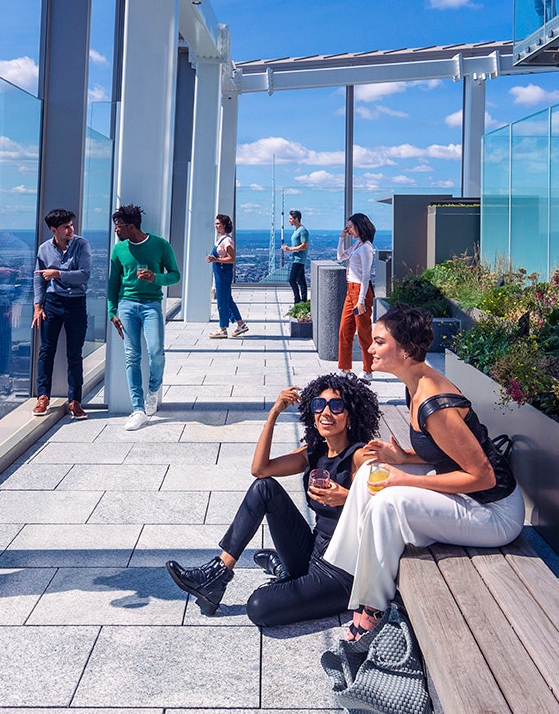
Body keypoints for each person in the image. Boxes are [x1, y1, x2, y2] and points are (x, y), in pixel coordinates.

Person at [322, 305, 525, 640]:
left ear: (404, 350)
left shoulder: (434, 403)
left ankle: (372, 609)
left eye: (378, 342)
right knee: (375, 468)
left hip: (494, 513)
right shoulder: (414, 385)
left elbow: (483, 476)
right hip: (467, 497)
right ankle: (346, 572)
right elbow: (447, 452)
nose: (369, 348)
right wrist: (403, 458)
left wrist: (407, 478)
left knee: (391, 501)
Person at [166, 373, 378, 624]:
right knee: (264, 487)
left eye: (337, 406)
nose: (326, 413)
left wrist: (347, 497)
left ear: (350, 414)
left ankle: (285, 572)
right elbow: (260, 469)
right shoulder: (315, 452)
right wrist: (274, 414)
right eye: (319, 405)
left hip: (341, 572)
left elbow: (388, 501)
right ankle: (219, 573)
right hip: (314, 551)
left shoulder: (360, 456)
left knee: (258, 607)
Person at [106, 204, 181, 431]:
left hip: (151, 305)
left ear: (131, 226)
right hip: (127, 305)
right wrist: (112, 311)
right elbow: (113, 283)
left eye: (118, 226)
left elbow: (175, 275)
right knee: (132, 355)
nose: (116, 230)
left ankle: (153, 391)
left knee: (156, 351)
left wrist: (155, 278)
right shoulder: (119, 249)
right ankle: (138, 409)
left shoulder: (160, 245)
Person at [33, 208, 91, 419]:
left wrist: (58, 273)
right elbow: (39, 278)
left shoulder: (82, 245)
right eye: (66, 227)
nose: (71, 230)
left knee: (74, 354)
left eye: (71, 225)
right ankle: (43, 397)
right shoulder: (44, 249)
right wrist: (38, 306)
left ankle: (75, 401)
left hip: (76, 303)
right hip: (53, 304)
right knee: (46, 350)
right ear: (53, 230)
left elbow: (84, 275)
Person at [336, 212, 377, 376]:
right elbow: (340, 257)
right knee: (344, 330)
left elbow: (366, 275)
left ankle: (368, 370)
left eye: (351, 226)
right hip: (350, 291)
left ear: (360, 226)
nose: (349, 229)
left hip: (361, 292)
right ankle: (344, 368)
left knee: (363, 332)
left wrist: (361, 301)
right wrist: (341, 237)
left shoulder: (366, 247)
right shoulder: (357, 245)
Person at [207, 214, 249, 339]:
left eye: (218, 224)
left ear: (225, 225)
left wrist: (216, 259)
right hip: (220, 272)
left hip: (223, 273)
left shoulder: (227, 241)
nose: (216, 226)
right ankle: (241, 324)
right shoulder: (220, 239)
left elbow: (232, 258)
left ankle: (223, 328)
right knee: (228, 300)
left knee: (222, 301)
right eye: (215, 224)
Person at [281, 209, 310, 305]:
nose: (289, 220)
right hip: (296, 258)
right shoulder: (297, 230)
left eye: (290, 218)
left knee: (292, 280)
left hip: (299, 259)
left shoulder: (303, 230)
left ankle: (297, 300)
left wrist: (290, 249)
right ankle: (304, 301)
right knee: (301, 281)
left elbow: (304, 245)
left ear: (296, 219)